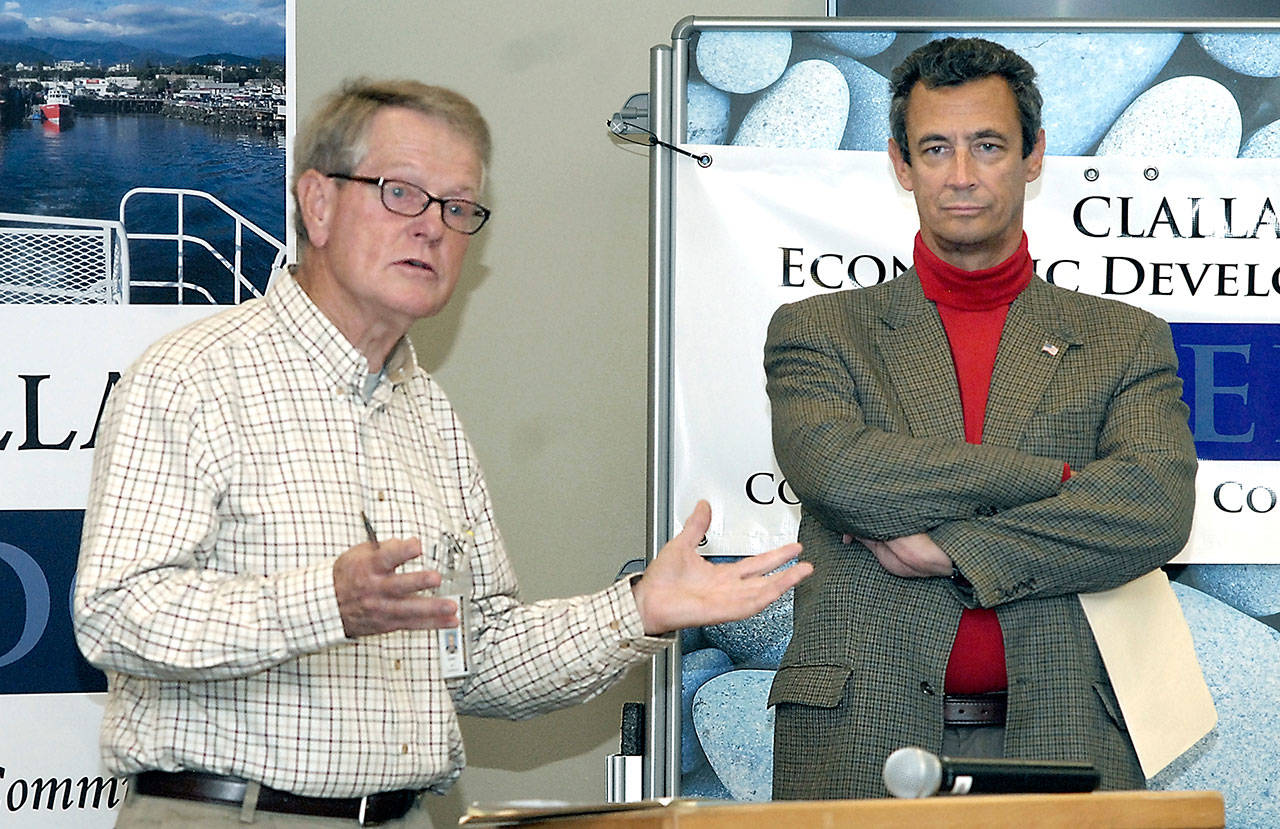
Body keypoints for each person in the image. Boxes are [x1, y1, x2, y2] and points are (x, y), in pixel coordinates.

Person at [73, 78, 811, 827]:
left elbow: (476, 654)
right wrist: (326, 602)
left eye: (458, 208)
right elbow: (114, 614)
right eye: (401, 193)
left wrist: (638, 608)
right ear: (317, 203)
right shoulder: (193, 375)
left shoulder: (427, 413)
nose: (432, 227)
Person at [764, 37, 1197, 800]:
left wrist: (954, 552)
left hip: (1066, 727)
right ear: (901, 164)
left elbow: (1153, 508)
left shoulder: (1125, 338)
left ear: (1033, 157)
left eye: (987, 145)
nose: (960, 175)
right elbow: (840, 471)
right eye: (935, 148)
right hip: (864, 733)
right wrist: (1062, 482)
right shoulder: (819, 330)